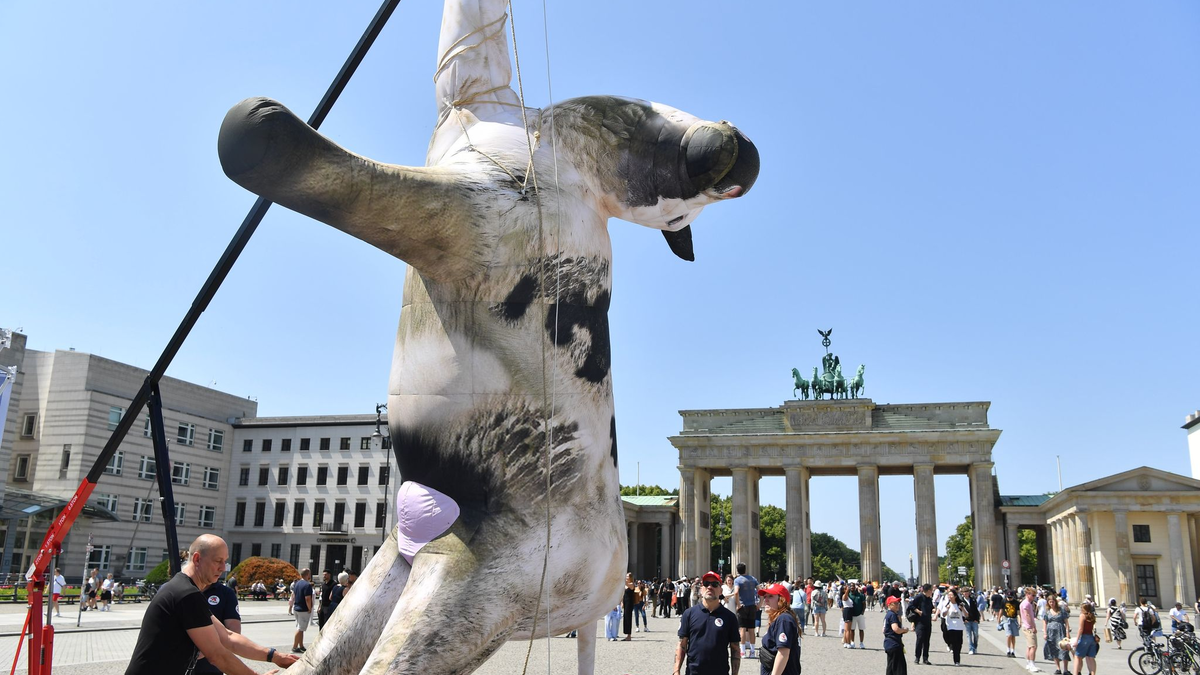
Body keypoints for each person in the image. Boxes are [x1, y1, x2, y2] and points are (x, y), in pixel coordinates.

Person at [124, 534, 298, 675]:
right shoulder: (185, 593)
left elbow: (227, 637)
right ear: (197, 559)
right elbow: (217, 655)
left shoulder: (185, 589)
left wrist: (274, 656)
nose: (223, 568)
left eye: (225, 561)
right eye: (217, 561)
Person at [674, 571, 741, 675]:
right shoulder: (688, 614)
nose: (710, 587)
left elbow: (735, 648)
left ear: (721, 590)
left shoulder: (730, 617)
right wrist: (676, 670)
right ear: (701, 589)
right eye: (706, 584)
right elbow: (682, 644)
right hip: (693, 672)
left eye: (714, 584)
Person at [193, 574, 242, 675]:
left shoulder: (226, 593)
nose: (221, 568)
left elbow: (233, 631)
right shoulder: (177, 590)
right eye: (216, 563)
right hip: (176, 665)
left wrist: (208, 649)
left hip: (210, 667)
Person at [757, 583, 800, 675]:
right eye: (765, 597)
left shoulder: (784, 619)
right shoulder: (780, 618)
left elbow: (783, 653)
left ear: (781, 600)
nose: (766, 600)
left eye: (770, 596)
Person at [734, 563, 759, 658]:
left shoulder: (737, 580)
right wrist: (759, 603)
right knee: (752, 629)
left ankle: (743, 651)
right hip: (752, 606)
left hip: (743, 606)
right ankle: (752, 651)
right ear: (745, 569)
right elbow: (760, 590)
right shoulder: (753, 579)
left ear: (737, 570)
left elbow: (736, 592)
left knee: (742, 629)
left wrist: (738, 604)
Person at [1042, 595, 1071, 675]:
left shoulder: (1061, 610)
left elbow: (1066, 622)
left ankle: (1065, 669)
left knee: (1064, 649)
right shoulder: (1047, 611)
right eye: (1050, 602)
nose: (1052, 603)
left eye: (1053, 602)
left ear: (1055, 602)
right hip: (1051, 633)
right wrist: (1045, 633)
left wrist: (1067, 632)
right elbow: (1044, 622)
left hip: (1061, 631)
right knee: (1054, 649)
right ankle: (1058, 668)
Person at [909, 584, 934, 666]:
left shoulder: (929, 598)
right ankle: (917, 657)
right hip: (919, 622)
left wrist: (933, 609)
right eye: (931, 590)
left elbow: (931, 607)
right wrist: (917, 611)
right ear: (928, 590)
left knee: (927, 641)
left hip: (928, 622)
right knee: (920, 639)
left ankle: (925, 658)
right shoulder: (919, 597)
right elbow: (911, 605)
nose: (932, 591)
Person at [1070, 601, 1099, 675]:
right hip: (1091, 638)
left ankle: (1075, 673)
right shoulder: (1092, 615)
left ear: (1083, 609)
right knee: (1091, 658)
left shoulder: (1082, 616)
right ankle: (1093, 673)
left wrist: (1077, 640)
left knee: (1077, 657)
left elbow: (1081, 629)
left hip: (1084, 638)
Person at [940, 588, 966, 666]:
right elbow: (943, 614)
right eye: (949, 595)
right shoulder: (947, 604)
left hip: (959, 626)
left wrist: (962, 609)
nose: (949, 596)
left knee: (959, 643)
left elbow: (966, 615)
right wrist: (947, 609)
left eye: (951, 595)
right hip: (950, 626)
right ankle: (956, 660)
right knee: (954, 643)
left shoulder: (960, 605)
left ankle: (957, 656)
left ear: (955, 596)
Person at [884, 597, 909, 675]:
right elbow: (896, 629)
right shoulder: (892, 615)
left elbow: (883, 629)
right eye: (895, 603)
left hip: (889, 643)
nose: (897, 605)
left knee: (891, 668)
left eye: (898, 603)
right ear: (889, 605)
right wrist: (904, 630)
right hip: (894, 643)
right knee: (899, 669)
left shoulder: (888, 615)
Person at [292, 568, 314, 653]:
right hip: (303, 609)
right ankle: (294, 647)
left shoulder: (297, 583)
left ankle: (301, 645)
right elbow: (307, 598)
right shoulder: (307, 585)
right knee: (300, 628)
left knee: (301, 628)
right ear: (308, 574)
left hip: (297, 607)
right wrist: (309, 608)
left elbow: (293, 595)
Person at [1020, 586, 1041, 672]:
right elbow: (1027, 615)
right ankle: (1032, 664)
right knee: (1033, 646)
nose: (1034, 597)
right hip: (1029, 627)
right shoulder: (1026, 604)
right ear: (1027, 594)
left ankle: (1028, 663)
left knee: (1029, 646)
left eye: (1035, 595)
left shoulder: (1024, 603)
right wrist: (1033, 626)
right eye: (1033, 595)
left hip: (1025, 626)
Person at [964, 587, 981, 656]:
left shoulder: (973, 600)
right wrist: (963, 619)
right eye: (965, 593)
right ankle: (971, 648)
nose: (966, 594)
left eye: (967, 592)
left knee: (976, 634)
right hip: (967, 620)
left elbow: (976, 610)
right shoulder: (961, 601)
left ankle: (975, 646)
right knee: (969, 635)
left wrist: (977, 619)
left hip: (974, 620)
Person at [850, 582, 867, 649]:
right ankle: (852, 642)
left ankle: (861, 643)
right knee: (852, 629)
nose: (852, 588)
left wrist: (863, 612)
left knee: (861, 629)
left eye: (853, 586)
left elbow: (864, 604)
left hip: (860, 614)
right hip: (852, 614)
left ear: (855, 587)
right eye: (851, 586)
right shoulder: (849, 595)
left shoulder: (860, 595)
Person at [621, 572, 636, 641]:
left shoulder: (631, 584)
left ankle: (629, 635)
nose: (626, 577)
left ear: (630, 578)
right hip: (625, 601)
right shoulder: (625, 585)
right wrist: (622, 602)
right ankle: (626, 633)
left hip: (629, 602)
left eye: (627, 576)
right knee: (625, 617)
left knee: (628, 617)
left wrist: (622, 579)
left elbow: (626, 584)